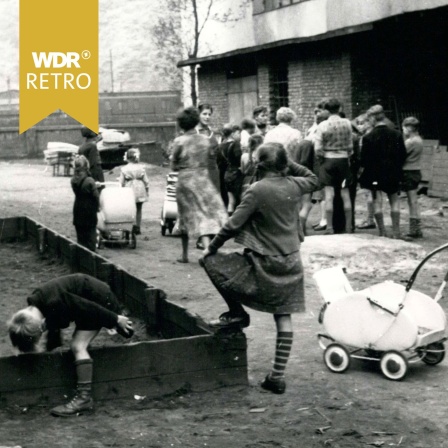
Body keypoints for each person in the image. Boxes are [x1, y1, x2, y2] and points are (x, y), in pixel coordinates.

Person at [200, 142, 318, 395]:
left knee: (210, 262)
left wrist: (212, 246)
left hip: (263, 262)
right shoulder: (295, 184)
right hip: (291, 262)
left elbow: (232, 225)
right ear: (284, 164)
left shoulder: (256, 190)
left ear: (258, 164)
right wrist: (287, 163)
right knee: (283, 317)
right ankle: (276, 377)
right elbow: (313, 177)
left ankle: (237, 312)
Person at [7, 273, 134, 417]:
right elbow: (54, 322)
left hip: (98, 301)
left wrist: (115, 319)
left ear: (41, 327)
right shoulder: (35, 303)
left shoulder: (55, 302)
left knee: (78, 346)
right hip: (85, 299)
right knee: (75, 341)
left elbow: (88, 308)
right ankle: (83, 369)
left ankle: (83, 399)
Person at [171, 106, 228, 263]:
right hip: (203, 178)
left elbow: (173, 165)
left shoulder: (179, 141)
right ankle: (208, 249)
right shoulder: (204, 139)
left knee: (185, 215)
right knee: (205, 213)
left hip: (186, 180)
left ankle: (186, 255)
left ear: (181, 124)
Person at [358, 105, 407, 238]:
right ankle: (396, 232)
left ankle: (382, 232)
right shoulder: (396, 134)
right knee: (394, 200)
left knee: (376, 201)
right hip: (393, 172)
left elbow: (364, 160)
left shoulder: (368, 137)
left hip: (375, 174)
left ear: (373, 118)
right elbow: (403, 155)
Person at [314, 98, 353, 234]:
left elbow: (317, 148)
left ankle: (329, 227)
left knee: (329, 194)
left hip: (328, 160)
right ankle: (348, 227)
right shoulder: (347, 123)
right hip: (343, 160)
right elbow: (350, 144)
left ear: (326, 110)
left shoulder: (322, 125)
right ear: (340, 108)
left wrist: (322, 158)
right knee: (345, 194)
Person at [401, 116, 424, 239]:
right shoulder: (419, 140)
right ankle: (416, 227)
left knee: (412, 201)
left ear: (409, 128)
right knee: (413, 200)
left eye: (404, 127)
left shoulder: (411, 142)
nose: (403, 130)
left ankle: (414, 229)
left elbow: (401, 154)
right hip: (416, 170)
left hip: (408, 171)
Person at [71, 155, 100, 252]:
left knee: (81, 239)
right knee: (91, 237)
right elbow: (96, 197)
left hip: (78, 209)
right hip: (89, 211)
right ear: (87, 167)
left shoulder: (73, 180)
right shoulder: (90, 181)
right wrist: (97, 207)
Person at [119, 147, 149, 235]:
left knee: (130, 208)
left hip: (129, 189)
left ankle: (131, 226)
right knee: (139, 208)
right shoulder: (141, 168)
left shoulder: (124, 169)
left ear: (127, 158)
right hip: (140, 188)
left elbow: (121, 182)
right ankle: (138, 226)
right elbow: (146, 181)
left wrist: (121, 189)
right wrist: (147, 190)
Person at [354, 113, 376, 230]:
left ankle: (370, 219)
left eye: (361, 123)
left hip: (367, 169)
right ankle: (371, 218)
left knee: (369, 195)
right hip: (376, 168)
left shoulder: (365, 138)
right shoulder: (374, 135)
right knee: (374, 195)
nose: (360, 127)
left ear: (368, 123)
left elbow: (362, 155)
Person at [217, 124, 243, 215]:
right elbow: (238, 158)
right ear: (232, 133)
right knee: (237, 200)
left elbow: (218, 161)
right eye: (238, 133)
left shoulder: (220, 146)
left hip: (223, 174)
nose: (240, 135)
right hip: (235, 173)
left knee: (227, 200)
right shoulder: (236, 144)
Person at [196, 103, 220, 192]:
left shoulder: (211, 132)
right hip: (201, 173)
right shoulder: (194, 133)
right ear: (198, 115)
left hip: (213, 172)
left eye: (209, 114)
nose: (207, 117)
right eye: (204, 114)